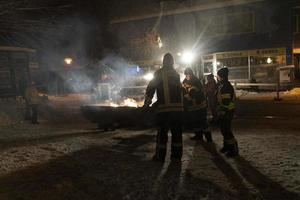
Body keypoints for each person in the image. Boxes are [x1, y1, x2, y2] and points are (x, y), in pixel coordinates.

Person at [143, 53, 183, 162]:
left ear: (163, 62)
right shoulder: (176, 74)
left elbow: (150, 88)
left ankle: (160, 156)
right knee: (177, 134)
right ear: (172, 62)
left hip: (164, 110)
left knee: (162, 134)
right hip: (178, 111)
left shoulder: (159, 73)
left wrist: (146, 104)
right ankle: (176, 157)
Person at [182, 68, 212, 143]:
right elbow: (183, 89)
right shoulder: (185, 81)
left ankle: (208, 138)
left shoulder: (196, 81)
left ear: (191, 74)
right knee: (195, 122)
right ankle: (198, 136)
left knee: (203, 122)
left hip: (200, 105)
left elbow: (194, 93)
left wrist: (186, 97)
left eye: (188, 74)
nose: (187, 76)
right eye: (186, 75)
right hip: (192, 106)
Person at [216, 68, 238, 157]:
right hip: (225, 111)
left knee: (226, 130)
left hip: (227, 111)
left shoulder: (225, 87)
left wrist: (222, 112)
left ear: (221, 76)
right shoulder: (223, 85)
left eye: (217, 75)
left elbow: (226, 101)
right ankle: (226, 146)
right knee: (224, 130)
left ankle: (233, 149)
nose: (216, 77)